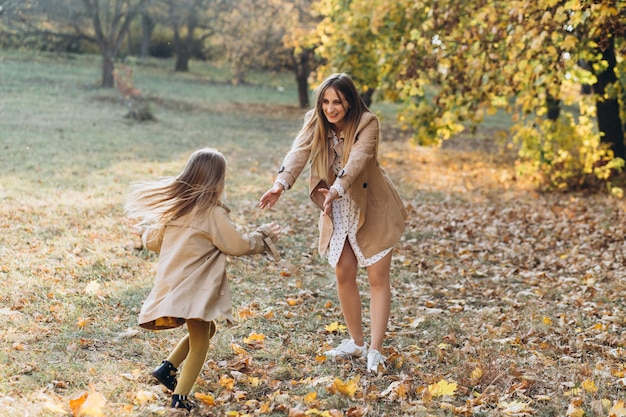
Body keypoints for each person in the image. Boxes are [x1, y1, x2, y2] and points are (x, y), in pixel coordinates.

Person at [259, 73, 407, 373]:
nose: (330, 108)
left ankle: (375, 351)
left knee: (378, 278)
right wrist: (280, 185)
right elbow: (298, 152)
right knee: (344, 271)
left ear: (349, 101)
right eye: (325, 102)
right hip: (335, 205)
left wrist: (337, 189)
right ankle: (356, 342)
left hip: (371, 205)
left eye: (336, 102)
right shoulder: (316, 121)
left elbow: (359, 160)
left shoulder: (368, 122)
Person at [126, 148, 281, 411]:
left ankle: (167, 368)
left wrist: (143, 232)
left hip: (176, 285)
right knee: (201, 341)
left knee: (207, 330)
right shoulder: (212, 214)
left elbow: (154, 242)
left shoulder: (177, 210)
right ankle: (180, 398)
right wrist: (263, 235)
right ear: (217, 181)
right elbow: (236, 245)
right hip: (194, 288)